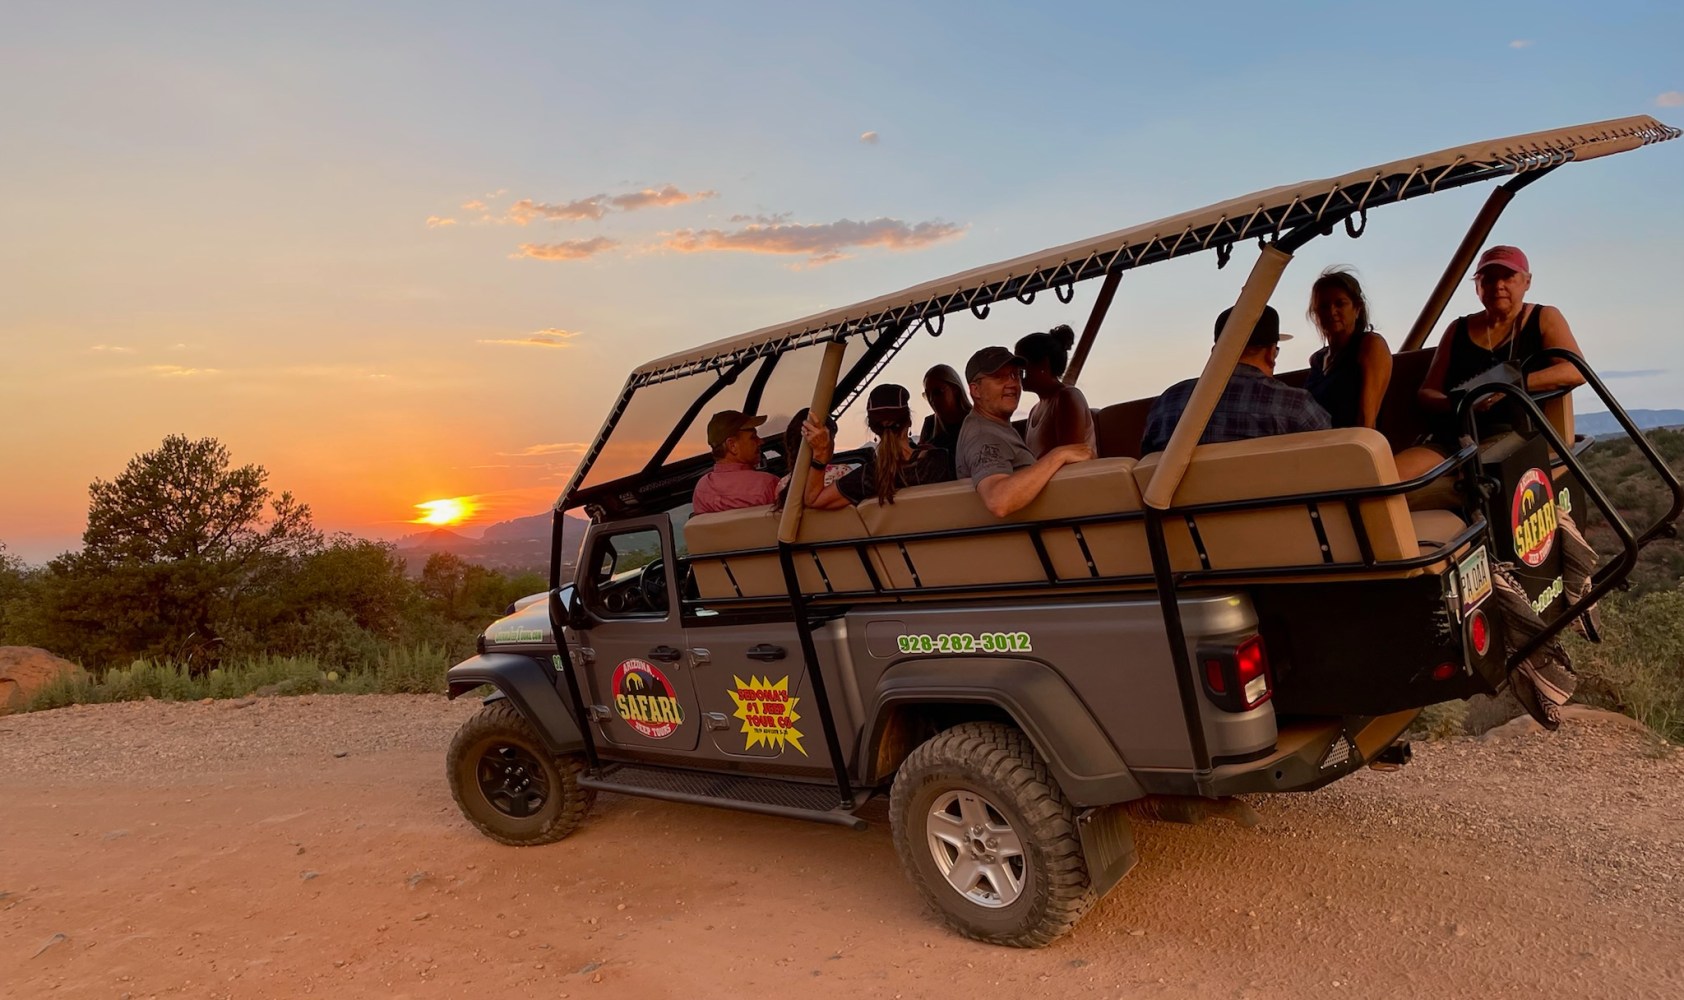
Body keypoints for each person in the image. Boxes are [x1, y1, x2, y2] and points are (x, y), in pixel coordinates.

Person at [1394, 245, 1586, 479]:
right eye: (1488, 279)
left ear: (1527, 282)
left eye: (1507, 276)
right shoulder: (1457, 329)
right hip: (1453, 436)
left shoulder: (1544, 317)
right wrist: (1462, 402)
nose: (1498, 286)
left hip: (1511, 434)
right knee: (1388, 479)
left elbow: (1575, 370)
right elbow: (1427, 392)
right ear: (1477, 287)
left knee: (1474, 477)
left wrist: (1509, 387)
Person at [1140, 305, 1331, 455]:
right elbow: (1335, 460)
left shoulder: (1167, 402)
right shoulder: (1296, 406)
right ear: (1271, 354)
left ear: (1216, 353)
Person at [955, 346, 1093, 517]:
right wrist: (1058, 455)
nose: (1012, 384)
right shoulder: (984, 436)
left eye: (1015, 375)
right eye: (999, 377)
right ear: (975, 390)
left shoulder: (995, 426)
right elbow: (999, 501)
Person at [800, 384, 955, 509]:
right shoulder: (941, 460)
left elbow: (813, 499)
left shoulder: (870, 476)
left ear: (872, 428)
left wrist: (820, 455)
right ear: (909, 420)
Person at [1302, 267, 1392, 429]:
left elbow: (1367, 421)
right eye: (1323, 306)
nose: (1332, 311)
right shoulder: (1317, 360)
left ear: (1357, 309)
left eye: (1340, 304)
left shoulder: (1371, 345)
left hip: (1353, 445)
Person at [1016, 324, 1098, 457]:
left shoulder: (1068, 398)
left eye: (1022, 364)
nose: (1018, 371)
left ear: (1044, 363)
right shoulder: (1034, 411)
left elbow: (1070, 457)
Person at [691, 410, 778, 514]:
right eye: (753, 437)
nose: (761, 441)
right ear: (732, 445)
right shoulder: (768, 484)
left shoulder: (702, 489)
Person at [918, 364, 971, 476]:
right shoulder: (930, 423)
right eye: (927, 395)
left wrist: (937, 456)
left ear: (955, 389)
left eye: (937, 393)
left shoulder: (975, 421)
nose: (932, 400)